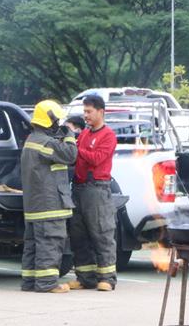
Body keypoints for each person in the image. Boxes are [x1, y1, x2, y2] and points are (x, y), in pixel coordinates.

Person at [20, 100, 78, 293]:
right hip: (49, 205)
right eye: (57, 121)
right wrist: (69, 135)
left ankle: (29, 282)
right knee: (50, 243)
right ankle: (46, 283)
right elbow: (70, 155)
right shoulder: (45, 143)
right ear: (50, 121)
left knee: (33, 245)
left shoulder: (32, 140)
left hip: (35, 207)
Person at [68, 94, 118, 292]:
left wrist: (76, 148)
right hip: (79, 188)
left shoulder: (108, 136)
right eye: (84, 112)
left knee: (102, 233)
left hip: (97, 189)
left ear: (101, 112)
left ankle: (107, 278)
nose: (85, 116)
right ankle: (85, 278)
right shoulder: (85, 135)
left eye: (89, 112)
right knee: (78, 235)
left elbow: (97, 158)